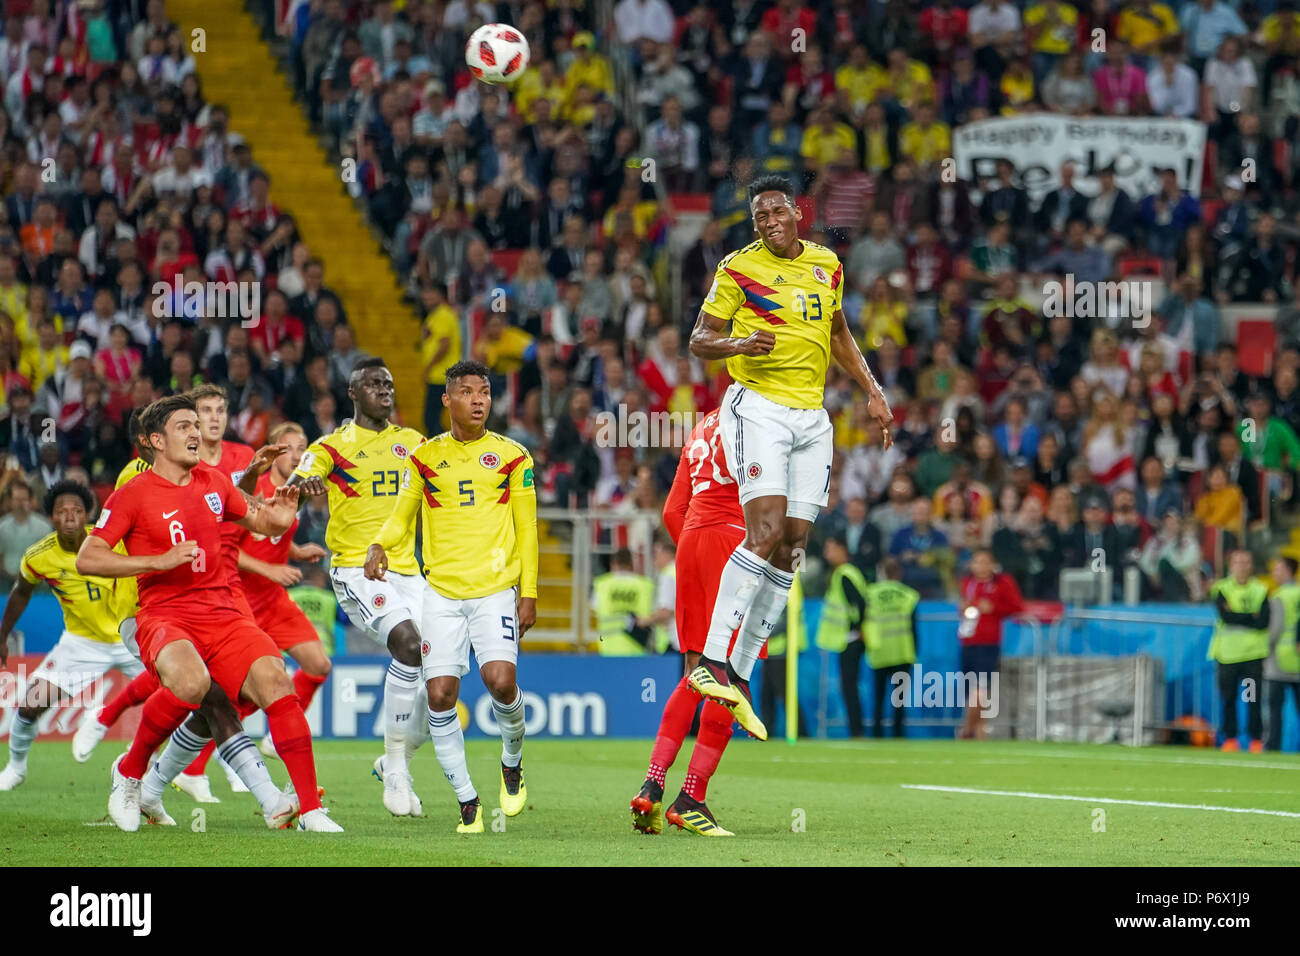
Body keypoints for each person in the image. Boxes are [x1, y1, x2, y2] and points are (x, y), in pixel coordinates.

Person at [686, 174, 893, 730]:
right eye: (760, 217)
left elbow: (840, 332)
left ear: (796, 212)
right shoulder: (738, 268)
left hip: (812, 415)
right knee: (766, 530)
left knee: (794, 543)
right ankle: (710, 660)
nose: (770, 222)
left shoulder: (827, 264)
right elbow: (699, 340)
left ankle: (743, 670)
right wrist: (738, 342)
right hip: (759, 406)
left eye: (777, 212)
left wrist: (873, 391)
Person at [76, 394, 339, 832]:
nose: (195, 432)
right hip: (165, 613)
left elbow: (259, 522)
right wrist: (156, 562)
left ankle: (310, 810)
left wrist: (280, 516)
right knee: (193, 684)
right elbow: (89, 558)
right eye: (184, 426)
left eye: (196, 425)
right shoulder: (132, 493)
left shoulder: (214, 482)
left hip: (223, 610)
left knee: (275, 680)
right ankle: (130, 773)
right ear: (156, 440)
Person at [367, 360, 538, 833]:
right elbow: (402, 517)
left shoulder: (513, 456)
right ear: (448, 400)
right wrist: (381, 543)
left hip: (494, 591)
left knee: (501, 681)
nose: (479, 400)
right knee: (441, 695)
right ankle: (468, 801)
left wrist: (530, 592)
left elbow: (527, 529)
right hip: (439, 593)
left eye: (484, 391)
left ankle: (512, 758)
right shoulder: (423, 459)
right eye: (467, 391)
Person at [289, 357, 429, 818]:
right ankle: (394, 767)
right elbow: (300, 475)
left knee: (443, 681)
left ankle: (396, 761)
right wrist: (303, 481)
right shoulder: (333, 447)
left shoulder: (414, 443)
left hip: (413, 571)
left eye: (389, 384)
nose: (385, 390)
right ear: (353, 393)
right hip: (357, 570)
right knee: (408, 645)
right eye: (374, 384)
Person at [631, 408, 753, 837]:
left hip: (691, 545)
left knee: (696, 671)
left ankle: (653, 783)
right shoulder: (765, 416)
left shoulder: (705, 424)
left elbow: (671, 510)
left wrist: (695, 544)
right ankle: (692, 797)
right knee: (730, 678)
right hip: (733, 543)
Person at [0, 481, 144, 790]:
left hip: (131, 638)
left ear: (88, 514)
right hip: (81, 643)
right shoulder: (39, 557)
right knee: (29, 705)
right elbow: (22, 592)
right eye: (61, 512)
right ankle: (16, 767)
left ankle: (209, 771)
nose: (69, 517)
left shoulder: (112, 541)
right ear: (49, 517)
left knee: (189, 695)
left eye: (76, 511)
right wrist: (3, 635)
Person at [234, 422, 331, 757]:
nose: (297, 455)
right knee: (235, 692)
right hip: (243, 602)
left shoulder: (294, 493)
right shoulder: (254, 490)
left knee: (319, 665)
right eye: (288, 448)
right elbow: (230, 548)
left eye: (303, 447)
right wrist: (270, 569)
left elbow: (270, 538)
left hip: (274, 600)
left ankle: (275, 740)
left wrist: (297, 551)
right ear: (273, 453)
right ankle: (191, 768)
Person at [956, 548, 1023, 739]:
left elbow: (1017, 606)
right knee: (972, 689)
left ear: (992, 564)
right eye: (977, 562)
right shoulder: (967, 583)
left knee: (981, 688)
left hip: (988, 643)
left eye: (985, 562)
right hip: (968, 640)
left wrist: (994, 608)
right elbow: (964, 607)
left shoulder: (1002, 582)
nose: (981, 566)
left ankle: (966, 729)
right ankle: (979, 733)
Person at [1208, 549, 1269, 752]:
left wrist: (1238, 615)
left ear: (1251, 565)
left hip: (1252, 656)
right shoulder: (1222, 588)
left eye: (1246, 562)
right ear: (1230, 565)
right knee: (1229, 698)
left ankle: (1255, 740)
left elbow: (1263, 622)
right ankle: (1231, 739)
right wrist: (1250, 616)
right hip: (1227, 655)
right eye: (1237, 562)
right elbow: (1226, 617)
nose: (1242, 566)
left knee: (1252, 699)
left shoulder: (1260, 589)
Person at [816, 533, 872, 737]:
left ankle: (857, 731)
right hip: (849, 639)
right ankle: (856, 730)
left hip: (850, 640)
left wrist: (856, 629)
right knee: (849, 687)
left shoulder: (844, 573)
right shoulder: (847, 572)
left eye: (830, 548)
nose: (827, 553)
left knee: (849, 688)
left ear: (842, 550)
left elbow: (860, 603)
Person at [863, 557, 920, 738]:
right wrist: (915, 650)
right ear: (899, 573)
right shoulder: (909, 594)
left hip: (879, 650)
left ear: (881, 573)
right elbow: (913, 626)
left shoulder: (870, 593)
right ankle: (897, 733)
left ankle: (877, 733)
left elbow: (866, 621)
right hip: (902, 651)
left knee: (878, 697)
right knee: (899, 699)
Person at [592, 548, 655, 656]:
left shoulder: (602, 584)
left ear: (612, 563)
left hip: (609, 648)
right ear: (632, 564)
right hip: (638, 646)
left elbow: (594, 607)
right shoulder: (645, 585)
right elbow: (654, 611)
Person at [1265, 557, 1300, 752]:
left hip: (1279, 660)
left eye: (1277, 568)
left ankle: (1272, 746)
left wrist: (1264, 649)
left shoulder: (1280, 596)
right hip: (1297, 660)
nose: (1273, 572)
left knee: (1274, 708)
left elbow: (1275, 629)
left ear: (1288, 570)